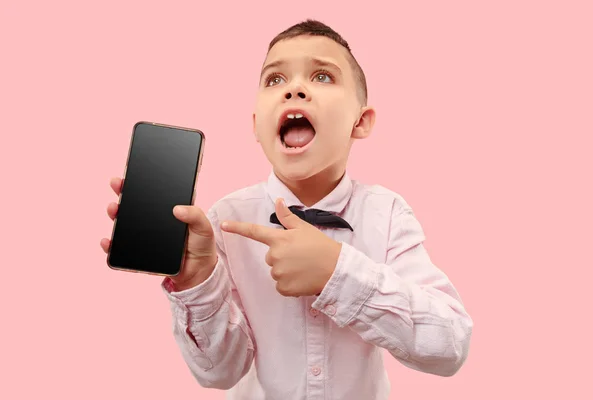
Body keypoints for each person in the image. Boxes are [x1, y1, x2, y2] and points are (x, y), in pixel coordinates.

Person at [102, 19, 473, 400]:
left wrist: (338, 272)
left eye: (323, 76)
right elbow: (220, 373)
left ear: (360, 122)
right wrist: (197, 282)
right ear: (256, 127)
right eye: (275, 80)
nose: (294, 88)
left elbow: (450, 347)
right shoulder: (225, 221)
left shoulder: (388, 213)